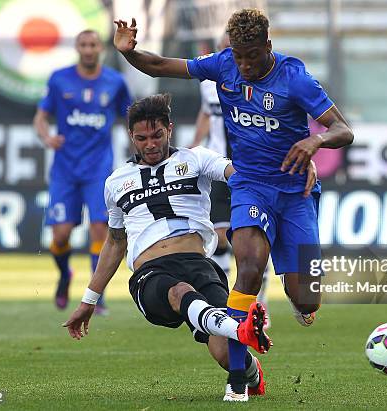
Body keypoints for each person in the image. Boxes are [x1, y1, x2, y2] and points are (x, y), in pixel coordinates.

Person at [113, 8, 353, 400]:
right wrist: (128, 52)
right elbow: (157, 65)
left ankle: (297, 294)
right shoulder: (223, 66)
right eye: (239, 55)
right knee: (249, 268)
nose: (244, 65)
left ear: (268, 47)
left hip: (295, 195)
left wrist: (315, 142)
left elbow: (343, 129)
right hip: (250, 186)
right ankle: (238, 380)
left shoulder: (294, 77)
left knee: (308, 295)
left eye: (252, 57)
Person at [63, 94, 281, 400]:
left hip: (199, 265)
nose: (150, 144)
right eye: (141, 138)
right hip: (151, 275)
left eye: (157, 135)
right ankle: (239, 330)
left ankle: (251, 373)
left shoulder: (196, 159)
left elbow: (236, 174)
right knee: (180, 293)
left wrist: (263, 187)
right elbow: (115, 241)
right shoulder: (116, 182)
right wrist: (89, 299)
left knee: (224, 352)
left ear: (170, 129)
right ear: (131, 137)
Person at [33, 29, 132, 313]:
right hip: (65, 168)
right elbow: (40, 117)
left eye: (93, 45)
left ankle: (95, 293)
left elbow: (129, 117)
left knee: (100, 227)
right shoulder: (59, 78)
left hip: (99, 167)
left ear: (100, 48)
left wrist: (135, 149)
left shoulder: (115, 81)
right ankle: (64, 275)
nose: (88, 50)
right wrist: (46, 137)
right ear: (77, 48)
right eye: (83, 45)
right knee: (60, 235)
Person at [190, 34, 274, 313]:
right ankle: (230, 301)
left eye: (234, 50)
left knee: (249, 241)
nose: (230, 56)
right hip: (219, 166)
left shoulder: (256, 86)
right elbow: (207, 113)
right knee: (222, 235)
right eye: (225, 49)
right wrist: (194, 143)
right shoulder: (208, 85)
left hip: (251, 169)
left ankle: (258, 300)